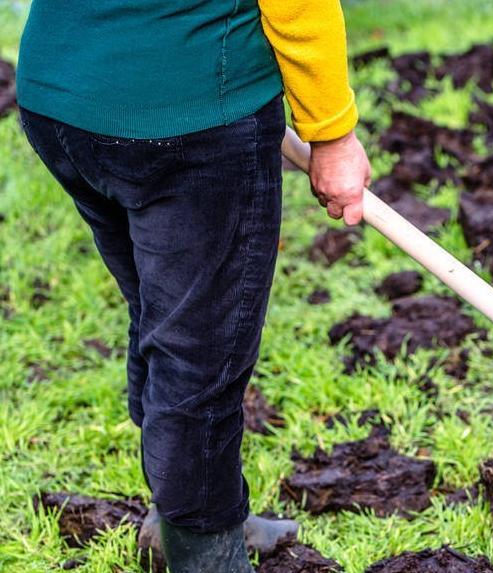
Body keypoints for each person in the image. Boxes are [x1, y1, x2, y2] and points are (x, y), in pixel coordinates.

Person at [16, 1, 370, 570]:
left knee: (164, 310)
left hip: (62, 100)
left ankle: (188, 512)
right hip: (189, 119)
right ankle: (205, 552)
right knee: (198, 350)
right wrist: (331, 134)